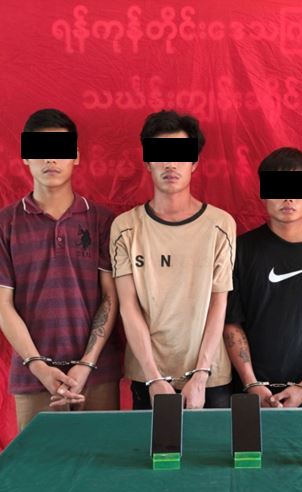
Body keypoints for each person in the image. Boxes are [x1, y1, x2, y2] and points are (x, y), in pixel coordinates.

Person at [0, 108, 121, 430]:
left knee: (102, 458)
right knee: (39, 460)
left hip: (97, 374)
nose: (50, 159)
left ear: (76, 156)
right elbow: (1, 306)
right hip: (33, 377)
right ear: (26, 157)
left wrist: (86, 364)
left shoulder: (103, 221)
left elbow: (110, 297)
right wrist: (39, 367)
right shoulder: (3, 224)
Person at [111, 110, 236, 409]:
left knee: (211, 442)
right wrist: (153, 377)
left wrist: (201, 375)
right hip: (147, 375)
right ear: (147, 162)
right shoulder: (125, 227)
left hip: (210, 376)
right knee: (152, 443)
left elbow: (219, 303)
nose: (170, 164)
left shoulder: (220, 225)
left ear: (194, 163)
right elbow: (128, 307)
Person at [224, 147, 302, 408]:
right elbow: (231, 323)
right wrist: (251, 384)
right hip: (250, 393)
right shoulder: (240, 250)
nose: (288, 197)